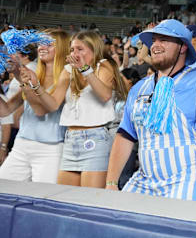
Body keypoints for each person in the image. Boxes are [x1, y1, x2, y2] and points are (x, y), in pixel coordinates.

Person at [105, 19, 196, 201]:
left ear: (183, 47)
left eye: (164, 40)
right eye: (154, 41)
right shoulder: (139, 88)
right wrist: (111, 183)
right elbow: (125, 135)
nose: (155, 46)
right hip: (145, 179)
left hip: (189, 177)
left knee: (177, 226)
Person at [23, 30, 128, 188]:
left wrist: (85, 69)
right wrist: (35, 85)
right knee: (65, 199)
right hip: (71, 138)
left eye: (80, 49)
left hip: (95, 139)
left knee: (89, 200)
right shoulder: (68, 70)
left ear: (93, 49)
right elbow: (53, 104)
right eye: (72, 49)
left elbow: (105, 95)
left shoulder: (103, 65)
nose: (75, 53)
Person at [0, 30, 69, 183]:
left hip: (50, 149)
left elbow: (41, 110)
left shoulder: (66, 75)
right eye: (40, 44)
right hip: (22, 144)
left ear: (62, 48)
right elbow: (6, 110)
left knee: (43, 199)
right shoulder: (34, 74)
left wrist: (23, 81)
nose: (42, 47)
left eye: (49, 44)